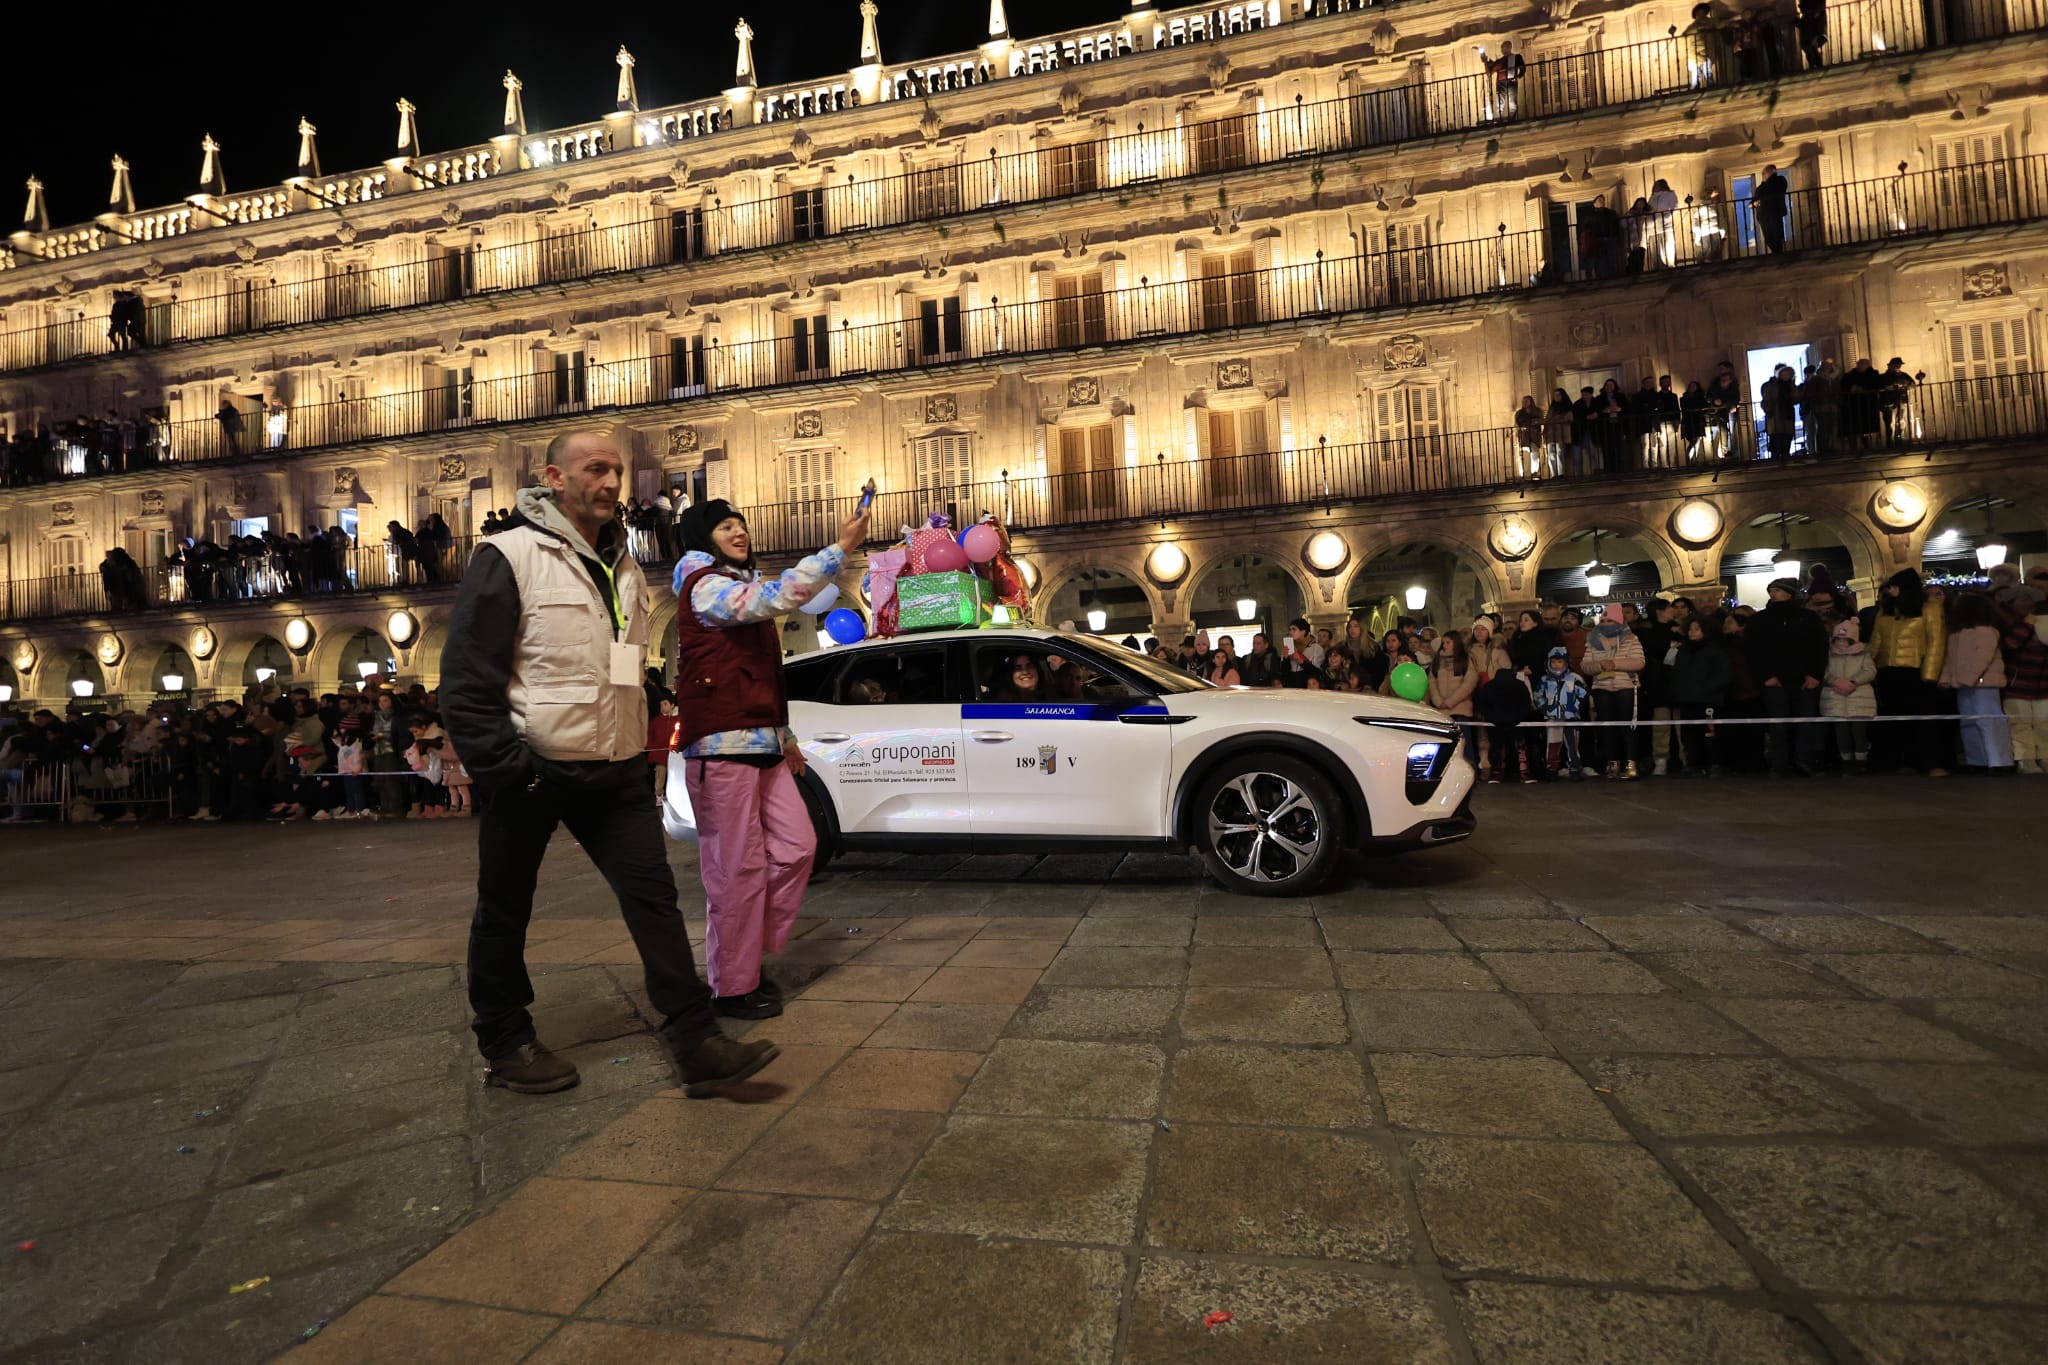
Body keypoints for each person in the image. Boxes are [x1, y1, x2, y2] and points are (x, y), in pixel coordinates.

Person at [439, 430, 779, 1097]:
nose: (611, 482)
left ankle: (696, 1039)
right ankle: (506, 1041)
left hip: (616, 767)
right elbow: (466, 681)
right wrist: (513, 769)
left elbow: (622, 668)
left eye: (616, 470)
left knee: (653, 901)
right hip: (535, 766)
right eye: (595, 469)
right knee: (504, 908)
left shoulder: (624, 565)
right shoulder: (508, 556)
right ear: (554, 478)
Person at [672, 493, 867, 1020]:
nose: (739, 532)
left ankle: (744, 957)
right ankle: (733, 985)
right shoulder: (704, 587)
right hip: (719, 746)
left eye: (741, 524)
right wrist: (836, 552)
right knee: (735, 869)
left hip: (763, 745)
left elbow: (759, 675)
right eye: (725, 527)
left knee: (800, 846)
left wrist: (785, 737)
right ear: (702, 539)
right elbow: (772, 598)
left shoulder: (738, 585)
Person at [1868, 568, 1948, 776]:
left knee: (1923, 720)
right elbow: (1876, 641)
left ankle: (1930, 762)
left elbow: (1936, 642)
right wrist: (1870, 668)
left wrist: (1929, 675)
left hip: (1915, 671)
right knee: (1891, 719)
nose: (1890, 590)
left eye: (1894, 586)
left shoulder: (1930, 608)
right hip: (1887, 671)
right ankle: (1895, 761)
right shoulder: (1885, 610)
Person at [1746, 578, 1828, 777]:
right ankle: (1779, 763)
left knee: (1806, 722)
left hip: (1804, 679)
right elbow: (1754, 650)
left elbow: (1820, 647)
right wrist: (1766, 676)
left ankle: (1804, 761)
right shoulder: (1761, 619)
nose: (1772, 593)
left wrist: (1815, 675)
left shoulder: (1808, 618)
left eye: (1776, 590)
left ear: (1789, 593)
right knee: (1778, 724)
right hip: (1774, 681)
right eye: (1771, 590)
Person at [1939, 592, 2013, 774]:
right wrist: (1947, 678)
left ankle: (1999, 761)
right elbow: (1950, 658)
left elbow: (1983, 658)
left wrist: (1967, 678)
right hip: (1965, 684)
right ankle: (1978, 760)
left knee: (1989, 722)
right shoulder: (1957, 633)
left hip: (1983, 684)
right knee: (1969, 723)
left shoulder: (1986, 631)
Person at [1582, 603, 1644, 779]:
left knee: (1628, 729)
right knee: (1608, 729)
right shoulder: (1593, 641)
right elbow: (1585, 666)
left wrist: (1615, 664)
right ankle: (1612, 764)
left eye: (1610, 619)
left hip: (1626, 687)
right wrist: (1599, 665)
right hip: (1602, 688)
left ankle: (1631, 764)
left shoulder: (1631, 639)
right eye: (1603, 619)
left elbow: (1639, 662)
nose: (1605, 622)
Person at [1669, 616, 1731, 776]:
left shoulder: (1716, 650)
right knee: (1689, 734)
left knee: (1710, 733)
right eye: (1690, 629)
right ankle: (1693, 763)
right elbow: (1677, 672)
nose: (1692, 632)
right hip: (1687, 698)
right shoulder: (1684, 651)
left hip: (1708, 699)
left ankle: (1714, 763)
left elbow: (1724, 674)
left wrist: (1708, 688)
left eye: (1696, 629)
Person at [1998, 587, 2047, 774]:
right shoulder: (2008, 624)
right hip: (2017, 684)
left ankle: (2045, 755)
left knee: (2044, 722)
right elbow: (2010, 646)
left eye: (2029, 599)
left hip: (2042, 684)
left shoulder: (2042, 622)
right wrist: (2026, 626)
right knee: (2020, 722)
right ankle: (2025, 758)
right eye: (2021, 599)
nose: (2027, 603)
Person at [1820, 619, 1877, 773]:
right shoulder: (1828, 653)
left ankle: (1861, 761)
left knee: (1859, 732)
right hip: (1835, 698)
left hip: (1859, 698)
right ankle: (1846, 761)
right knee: (1841, 733)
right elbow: (1823, 672)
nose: (1841, 641)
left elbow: (1870, 671)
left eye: (1845, 638)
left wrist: (1853, 682)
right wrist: (1836, 681)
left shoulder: (1864, 653)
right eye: (1838, 638)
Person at [1534, 646, 1590, 780]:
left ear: (1566, 662)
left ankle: (1575, 768)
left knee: (1572, 744)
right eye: (1553, 662)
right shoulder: (1544, 680)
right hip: (1552, 718)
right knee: (1553, 744)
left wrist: (1574, 708)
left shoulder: (1575, 678)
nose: (1556, 665)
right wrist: (1545, 708)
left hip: (1571, 718)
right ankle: (1552, 769)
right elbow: (1537, 696)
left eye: (1560, 662)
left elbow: (1583, 695)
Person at [1426, 633, 1477, 766]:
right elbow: (1432, 682)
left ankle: (1469, 768)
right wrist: (1438, 701)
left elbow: (1469, 683)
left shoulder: (1465, 660)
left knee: (1465, 743)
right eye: (1443, 643)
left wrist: (1450, 701)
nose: (1444, 645)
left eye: (1448, 642)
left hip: (1461, 708)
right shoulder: (1437, 661)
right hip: (1442, 709)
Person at [1760, 363, 1799, 460]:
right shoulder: (1770, 386)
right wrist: (1769, 410)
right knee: (1776, 440)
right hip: (1775, 417)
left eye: (1788, 374)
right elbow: (1766, 401)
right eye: (1783, 373)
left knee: (1787, 438)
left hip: (1787, 416)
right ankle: (1776, 460)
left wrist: (1793, 386)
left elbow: (1797, 398)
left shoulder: (1790, 386)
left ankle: (1785, 457)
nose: (1786, 376)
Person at [1755, 165, 1791, 254]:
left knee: (1776, 236)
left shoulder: (1779, 180)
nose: (1763, 174)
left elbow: (1770, 191)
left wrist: (1765, 182)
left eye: (1764, 172)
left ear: (1771, 172)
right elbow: (1758, 195)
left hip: (1774, 213)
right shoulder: (1763, 186)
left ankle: (1778, 254)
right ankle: (1776, 253)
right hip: (1764, 216)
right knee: (1768, 238)